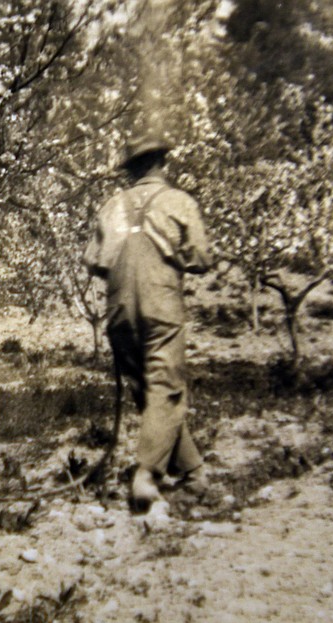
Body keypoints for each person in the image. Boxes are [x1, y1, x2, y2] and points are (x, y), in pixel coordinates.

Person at [83, 132, 213, 512]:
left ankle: (193, 472)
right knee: (167, 389)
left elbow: (93, 261)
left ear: (130, 170)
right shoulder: (178, 201)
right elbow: (201, 258)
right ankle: (147, 475)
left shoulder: (112, 206)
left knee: (152, 394)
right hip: (161, 304)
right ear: (162, 163)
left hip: (119, 309)